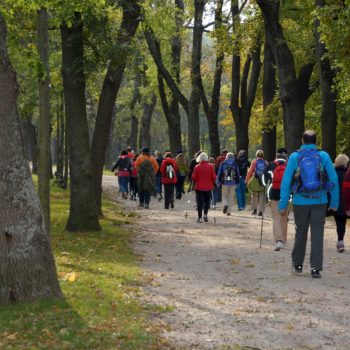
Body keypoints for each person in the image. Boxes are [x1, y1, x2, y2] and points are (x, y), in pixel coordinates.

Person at [279, 130, 339, 278]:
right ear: (315, 141)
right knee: (317, 234)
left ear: (302, 141)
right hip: (320, 200)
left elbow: (286, 181)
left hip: (300, 200)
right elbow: (334, 180)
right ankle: (315, 269)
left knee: (301, 232)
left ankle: (298, 265)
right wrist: (334, 202)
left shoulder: (295, 156)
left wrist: (283, 203)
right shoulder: (323, 156)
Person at [262, 147, 288, 251]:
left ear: (276, 155)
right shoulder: (289, 165)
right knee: (284, 217)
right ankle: (283, 240)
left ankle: (278, 241)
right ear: (286, 155)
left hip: (274, 192)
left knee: (276, 217)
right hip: (286, 194)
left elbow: (263, 180)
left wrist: (265, 186)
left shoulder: (271, 165)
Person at [328, 154, 350, 252]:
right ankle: (340, 241)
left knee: (339, 222)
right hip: (346, 201)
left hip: (336, 201)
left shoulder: (332, 173)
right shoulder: (348, 174)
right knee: (343, 221)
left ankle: (340, 241)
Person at [192, 152, 216, 223]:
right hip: (208, 187)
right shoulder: (210, 166)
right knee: (207, 202)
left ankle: (199, 217)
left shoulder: (197, 167)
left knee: (200, 202)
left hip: (199, 187)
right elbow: (214, 177)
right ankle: (205, 215)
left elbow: (193, 177)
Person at [246, 150, 268, 216]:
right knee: (262, 195)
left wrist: (247, 179)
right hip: (262, 180)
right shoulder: (266, 162)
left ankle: (254, 210)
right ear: (263, 155)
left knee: (254, 195)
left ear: (256, 155)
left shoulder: (254, 161)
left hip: (255, 179)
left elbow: (250, 171)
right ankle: (261, 211)